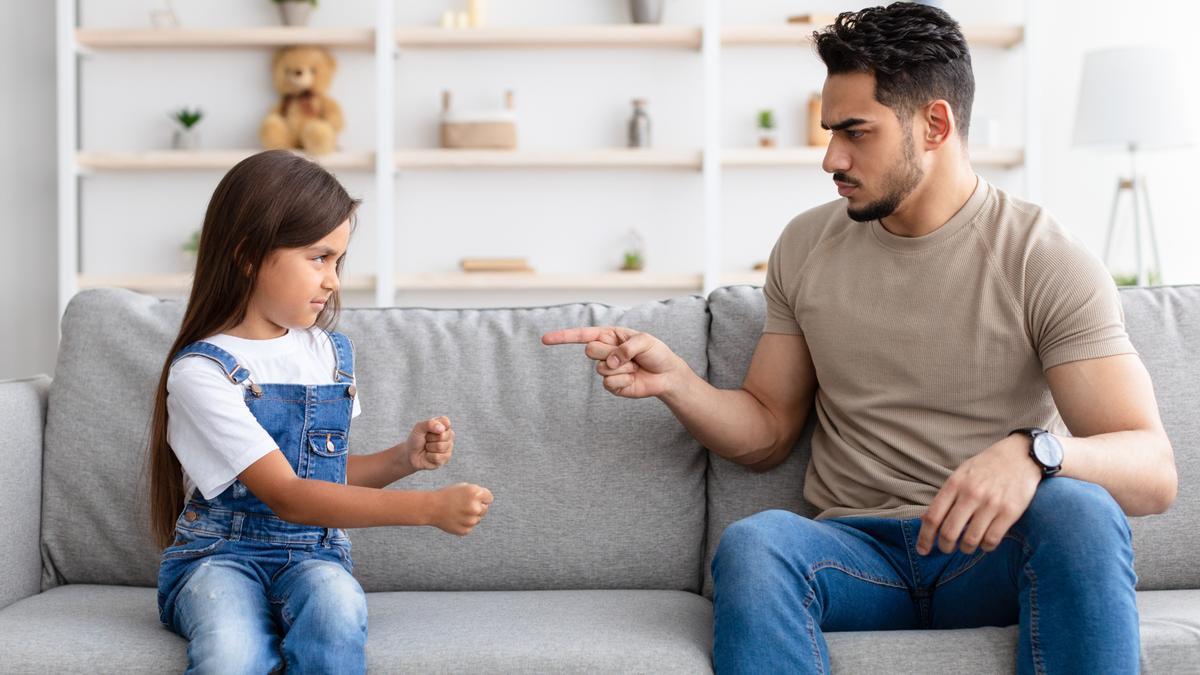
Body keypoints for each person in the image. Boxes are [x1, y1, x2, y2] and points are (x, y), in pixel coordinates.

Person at [543, 3, 1177, 672]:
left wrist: (1035, 453)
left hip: (988, 553)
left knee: (1076, 509)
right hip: (853, 555)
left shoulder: (1042, 256)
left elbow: (1152, 470)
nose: (830, 158)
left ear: (934, 124)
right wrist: (677, 381)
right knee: (756, 543)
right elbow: (765, 430)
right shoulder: (807, 244)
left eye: (856, 132)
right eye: (829, 132)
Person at [146, 150, 494, 674]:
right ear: (247, 256)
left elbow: (322, 476)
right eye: (318, 257)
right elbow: (288, 495)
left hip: (314, 556)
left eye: (338, 261)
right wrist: (427, 509)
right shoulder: (202, 372)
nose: (333, 280)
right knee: (232, 650)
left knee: (337, 607)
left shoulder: (326, 354)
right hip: (218, 557)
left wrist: (403, 459)